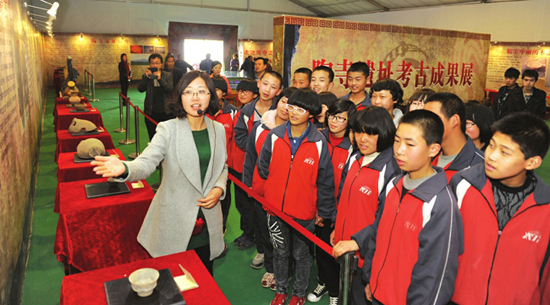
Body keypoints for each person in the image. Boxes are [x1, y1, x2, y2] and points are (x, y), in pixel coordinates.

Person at [91, 71, 227, 275]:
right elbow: (147, 162)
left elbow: (222, 167)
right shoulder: (167, 129)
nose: (195, 97)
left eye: (202, 91)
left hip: (207, 220)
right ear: (180, 96)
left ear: (211, 97)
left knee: (204, 277)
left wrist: (219, 188)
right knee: (173, 280)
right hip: (175, 219)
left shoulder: (218, 129)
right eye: (188, 92)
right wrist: (126, 168)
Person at [338, 109, 462, 305]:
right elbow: (377, 234)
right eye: (397, 141)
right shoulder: (394, 184)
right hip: (378, 291)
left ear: (433, 149)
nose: (399, 150)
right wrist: (370, 278)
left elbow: (436, 274)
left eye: (410, 144)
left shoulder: (440, 203)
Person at [450, 112, 550, 304]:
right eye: (492, 145)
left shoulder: (545, 207)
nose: (491, 156)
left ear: (532, 162)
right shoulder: (462, 185)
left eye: (505, 152)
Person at [257, 88, 335, 305]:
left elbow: (326, 182)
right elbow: (263, 168)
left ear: (311, 113)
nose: (293, 112)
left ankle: (299, 294)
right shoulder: (274, 135)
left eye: (300, 109)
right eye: (291, 106)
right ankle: (281, 291)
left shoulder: (319, 142)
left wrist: (324, 212)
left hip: (304, 212)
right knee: (280, 252)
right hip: (275, 210)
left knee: (301, 255)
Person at [331, 106, 401, 305]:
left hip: (368, 257)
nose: (362, 139)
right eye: (359, 132)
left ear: (385, 133)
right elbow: (342, 197)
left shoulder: (391, 170)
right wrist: (337, 227)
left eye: (371, 133)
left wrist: (358, 242)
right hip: (346, 250)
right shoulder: (354, 158)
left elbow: (386, 220)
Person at [242, 87, 293, 291]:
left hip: (285, 193)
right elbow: (250, 157)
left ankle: (286, 271)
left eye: (292, 105)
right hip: (261, 190)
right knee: (264, 229)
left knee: (284, 234)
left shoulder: (296, 130)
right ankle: (272, 268)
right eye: (283, 101)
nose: (285, 108)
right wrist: (248, 184)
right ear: (277, 101)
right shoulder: (260, 126)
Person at [308, 99, 356, 304]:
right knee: (319, 250)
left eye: (340, 118)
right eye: (332, 115)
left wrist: (332, 212)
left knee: (332, 252)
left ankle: (336, 292)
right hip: (313, 205)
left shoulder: (353, 146)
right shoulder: (317, 138)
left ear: (349, 121)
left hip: (337, 210)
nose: (334, 121)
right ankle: (323, 282)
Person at [233, 71, 283, 251]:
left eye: (273, 86)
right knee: (247, 205)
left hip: (275, 170)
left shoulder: (282, 110)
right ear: (259, 84)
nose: (267, 89)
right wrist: (257, 148)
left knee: (271, 209)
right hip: (250, 166)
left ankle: (272, 247)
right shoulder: (245, 111)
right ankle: (251, 237)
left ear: (278, 91)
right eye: (265, 84)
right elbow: (239, 136)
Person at [424, 92, 484, 181]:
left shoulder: (481, 165)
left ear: (454, 120)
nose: (424, 125)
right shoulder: (425, 157)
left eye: (432, 118)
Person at [209, 78, 237, 234]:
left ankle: (222, 225)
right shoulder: (202, 111)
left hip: (225, 165)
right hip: (206, 163)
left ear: (224, 92)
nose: (213, 93)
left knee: (223, 196)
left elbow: (236, 140)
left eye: (217, 90)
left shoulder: (232, 112)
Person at [137, 53, 174, 140]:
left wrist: (160, 79)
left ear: (161, 64)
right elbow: (140, 89)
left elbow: (170, 89)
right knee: (153, 137)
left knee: (168, 138)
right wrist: (146, 78)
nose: (155, 65)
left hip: (166, 112)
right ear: (150, 64)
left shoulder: (168, 75)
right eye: (152, 63)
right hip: (151, 112)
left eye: (157, 63)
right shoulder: (147, 76)